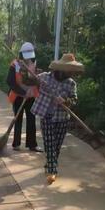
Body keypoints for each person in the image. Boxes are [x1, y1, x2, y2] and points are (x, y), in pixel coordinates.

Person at [31, 53, 83, 184]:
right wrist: (27, 73)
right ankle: (53, 171)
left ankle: (49, 164)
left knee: (57, 146)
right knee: (49, 144)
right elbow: (29, 81)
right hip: (47, 116)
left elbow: (74, 100)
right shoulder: (44, 78)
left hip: (62, 118)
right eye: (69, 70)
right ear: (61, 69)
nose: (71, 73)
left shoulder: (71, 84)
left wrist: (65, 101)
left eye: (72, 70)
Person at [6, 42, 42, 152]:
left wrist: (36, 82)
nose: (28, 58)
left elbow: (36, 78)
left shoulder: (34, 63)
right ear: (21, 54)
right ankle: (16, 144)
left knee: (31, 119)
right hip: (18, 96)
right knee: (18, 119)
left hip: (31, 96)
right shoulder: (15, 64)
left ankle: (32, 145)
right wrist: (22, 91)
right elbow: (10, 81)